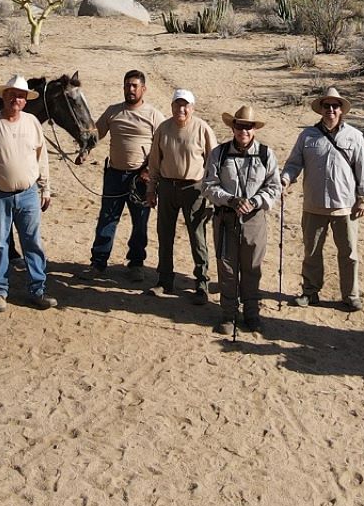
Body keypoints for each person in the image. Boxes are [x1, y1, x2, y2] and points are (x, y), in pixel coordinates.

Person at [0, 75, 57, 313]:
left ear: (26, 100)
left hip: (28, 194)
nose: (16, 99)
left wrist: (46, 187)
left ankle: (38, 290)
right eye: (12, 94)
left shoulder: (33, 123)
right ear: (4, 96)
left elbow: (41, 157)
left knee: (32, 243)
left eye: (20, 96)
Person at [282, 87, 364, 311]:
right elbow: (294, 163)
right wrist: (286, 179)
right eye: (327, 106)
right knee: (312, 252)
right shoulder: (307, 135)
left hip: (345, 207)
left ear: (341, 109)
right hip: (314, 204)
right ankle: (310, 292)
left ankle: (350, 295)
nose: (331, 110)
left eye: (335, 106)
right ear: (321, 109)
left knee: (349, 254)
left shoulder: (355, 136)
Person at [200, 106, 282, 336]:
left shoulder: (266, 154)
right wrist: (230, 200)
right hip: (225, 219)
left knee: (252, 268)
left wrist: (255, 202)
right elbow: (208, 185)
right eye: (239, 126)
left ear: (254, 129)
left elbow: (274, 187)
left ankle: (252, 314)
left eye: (248, 126)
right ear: (233, 127)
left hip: (255, 220)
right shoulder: (219, 153)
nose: (243, 130)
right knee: (227, 268)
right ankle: (228, 315)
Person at [145, 89, 218, 303]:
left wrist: (212, 195)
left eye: (186, 105)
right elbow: (154, 162)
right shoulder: (163, 129)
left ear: (192, 108)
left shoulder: (202, 128)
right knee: (164, 235)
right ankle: (164, 280)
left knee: (197, 237)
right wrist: (151, 189)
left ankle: (201, 284)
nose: (182, 109)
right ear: (172, 107)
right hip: (167, 187)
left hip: (194, 189)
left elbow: (213, 162)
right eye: (178, 105)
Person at [91, 69, 163, 279]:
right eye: (127, 85)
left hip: (141, 178)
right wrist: (84, 151)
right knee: (107, 219)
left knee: (140, 222)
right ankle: (98, 263)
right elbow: (96, 134)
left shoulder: (154, 115)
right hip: (114, 175)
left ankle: (136, 263)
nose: (130, 89)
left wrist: (149, 170)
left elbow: (162, 147)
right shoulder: (113, 111)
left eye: (134, 86)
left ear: (143, 89)